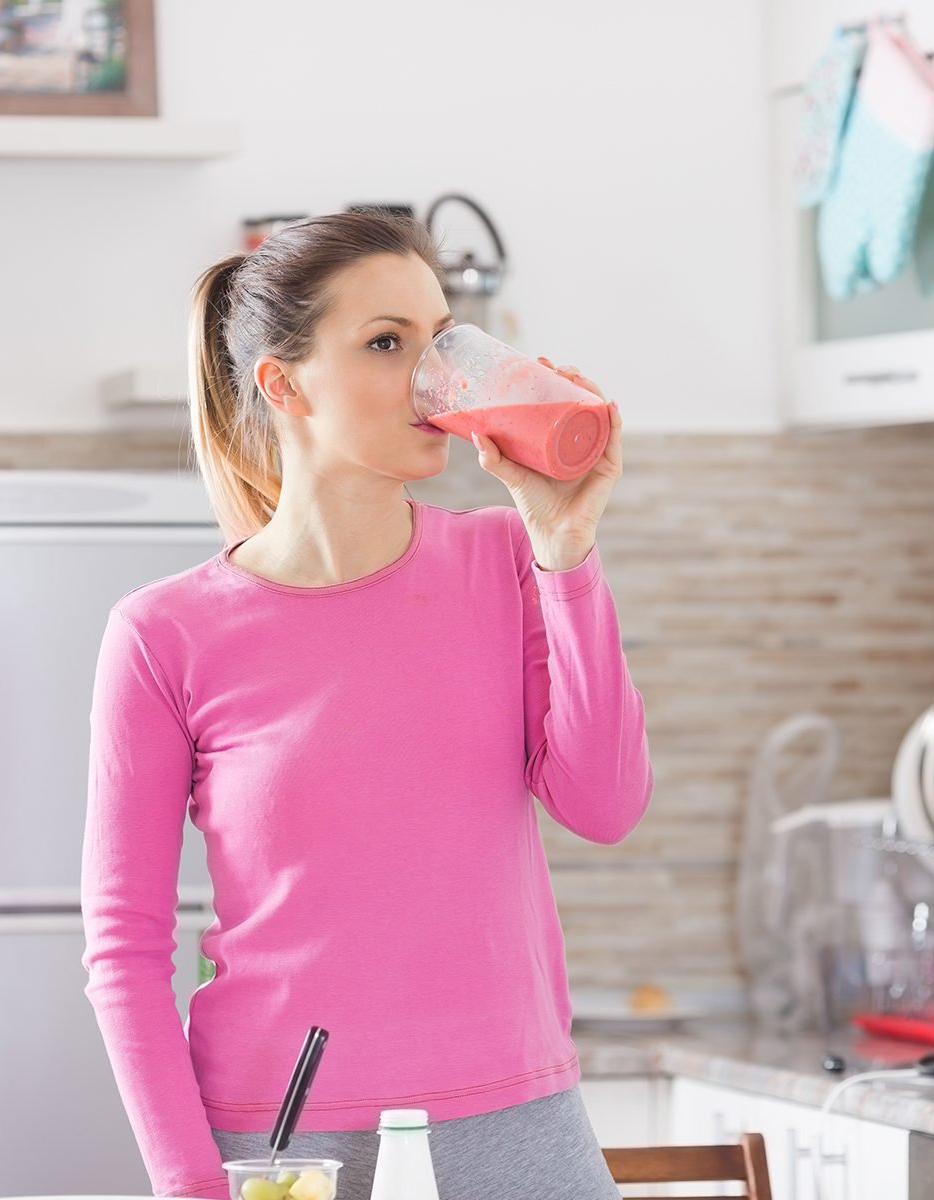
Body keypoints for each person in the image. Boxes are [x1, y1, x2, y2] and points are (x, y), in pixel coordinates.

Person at [80, 211, 654, 1200]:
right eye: (387, 344)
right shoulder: (163, 635)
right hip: (290, 1138)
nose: (431, 378)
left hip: (521, 1118)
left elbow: (605, 806)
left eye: (437, 341)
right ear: (284, 384)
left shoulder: (502, 560)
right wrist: (193, 1188)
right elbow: (125, 955)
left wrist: (566, 551)